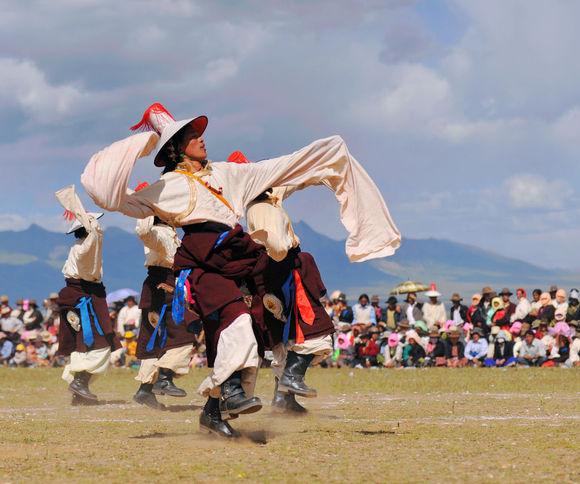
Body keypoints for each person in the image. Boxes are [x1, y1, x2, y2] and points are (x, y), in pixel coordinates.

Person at [81, 102, 400, 437]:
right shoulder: (167, 187)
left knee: (236, 334)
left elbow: (279, 168)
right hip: (201, 267)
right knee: (238, 324)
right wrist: (139, 147)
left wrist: (326, 153)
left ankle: (213, 411)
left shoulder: (227, 174)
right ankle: (230, 395)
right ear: (176, 149)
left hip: (236, 262)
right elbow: (109, 196)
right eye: (192, 136)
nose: (202, 139)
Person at [241, 152, 334, 414]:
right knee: (313, 330)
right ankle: (291, 379)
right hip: (284, 273)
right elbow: (278, 248)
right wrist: (281, 255)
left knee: (285, 338)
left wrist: (322, 172)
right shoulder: (260, 207)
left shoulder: (269, 196)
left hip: (278, 274)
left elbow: (291, 181)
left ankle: (283, 399)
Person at [55, 185, 121, 405]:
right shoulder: (84, 249)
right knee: (100, 343)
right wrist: (91, 226)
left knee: (83, 344)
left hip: (79, 296)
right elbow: (95, 236)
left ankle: (79, 394)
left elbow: (95, 236)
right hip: (84, 298)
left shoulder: (81, 247)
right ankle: (80, 383)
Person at [133, 211, 196, 410]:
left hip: (164, 285)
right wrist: (144, 212)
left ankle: (145, 390)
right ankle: (165, 377)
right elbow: (145, 234)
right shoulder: (159, 232)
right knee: (183, 334)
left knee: (158, 340)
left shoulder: (169, 231)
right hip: (162, 287)